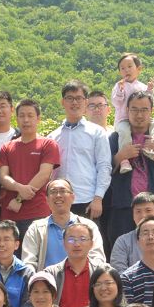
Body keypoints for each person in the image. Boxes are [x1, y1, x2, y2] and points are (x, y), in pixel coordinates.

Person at [103, 90, 154, 252]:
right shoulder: (115, 138)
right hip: (123, 206)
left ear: (152, 111)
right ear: (127, 111)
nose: (139, 114)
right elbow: (105, 170)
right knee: (121, 250)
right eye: (134, 109)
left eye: (144, 110)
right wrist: (121, 156)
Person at [0, 99, 61, 238]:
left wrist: (19, 199)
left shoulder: (48, 144)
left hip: (38, 212)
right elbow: (3, 177)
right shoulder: (7, 147)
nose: (26, 120)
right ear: (16, 119)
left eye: (30, 116)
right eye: (22, 116)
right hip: (10, 212)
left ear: (38, 119)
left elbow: (44, 175)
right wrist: (19, 188)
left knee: (38, 256)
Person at [53, 81, 111, 221]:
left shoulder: (96, 132)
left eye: (79, 98)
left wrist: (98, 198)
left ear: (85, 102)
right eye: (70, 98)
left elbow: (104, 166)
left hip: (88, 201)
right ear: (63, 102)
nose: (74, 102)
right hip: (60, 202)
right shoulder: (53, 136)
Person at [20, 178, 107, 271]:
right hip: (47, 282)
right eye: (53, 192)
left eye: (62, 191)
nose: (58, 195)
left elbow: (98, 259)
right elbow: (28, 263)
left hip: (82, 282)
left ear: (73, 197)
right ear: (47, 200)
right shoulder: (36, 229)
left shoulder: (89, 226)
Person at [109, 52, 154, 128]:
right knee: (124, 131)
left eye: (129, 66)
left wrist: (150, 90)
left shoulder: (143, 87)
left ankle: (152, 140)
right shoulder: (118, 85)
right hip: (123, 120)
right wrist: (120, 91)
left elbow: (150, 103)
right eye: (122, 68)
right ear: (120, 72)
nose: (126, 70)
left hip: (140, 121)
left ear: (138, 69)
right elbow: (116, 103)